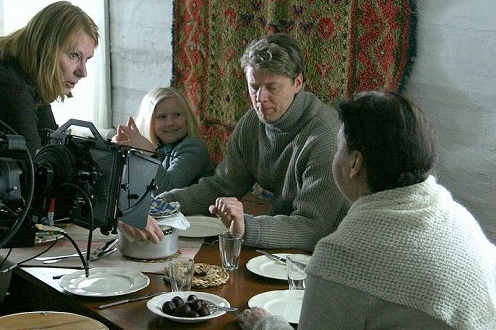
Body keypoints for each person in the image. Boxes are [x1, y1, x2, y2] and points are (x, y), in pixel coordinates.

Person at [238, 91, 496, 330]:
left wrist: (267, 325)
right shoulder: (457, 216)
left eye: (338, 147)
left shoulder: (343, 253)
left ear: (355, 163)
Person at [120, 33, 349, 249]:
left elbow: (313, 227)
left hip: (330, 245)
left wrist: (247, 226)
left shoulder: (325, 137)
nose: (260, 99)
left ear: (298, 83)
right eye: (254, 87)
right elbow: (222, 186)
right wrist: (161, 204)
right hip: (284, 238)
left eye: (272, 88)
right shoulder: (252, 122)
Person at [0, 1, 98, 155]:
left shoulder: (25, 68)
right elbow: (37, 170)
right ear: (46, 49)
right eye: (74, 55)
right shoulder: (10, 83)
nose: (83, 72)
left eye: (86, 59)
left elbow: (52, 144)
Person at [112, 86, 215, 196]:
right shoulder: (158, 146)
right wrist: (119, 152)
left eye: (177, 115)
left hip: (196, 211)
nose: (170, 123)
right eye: (162, 117)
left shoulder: (193, 147)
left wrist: (149, 154)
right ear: (149, 122)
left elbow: (165, 191)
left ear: (187, 117)